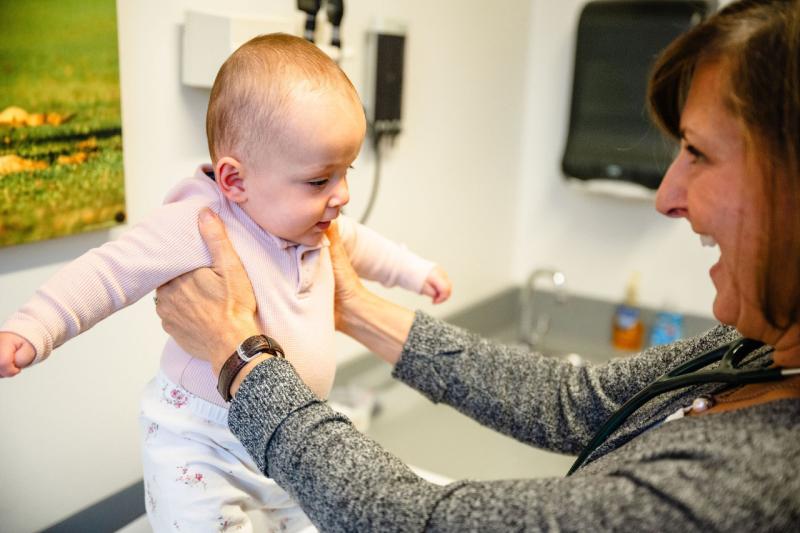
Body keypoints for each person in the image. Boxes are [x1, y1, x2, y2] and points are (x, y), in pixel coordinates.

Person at [153, 1, 800, 531]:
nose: (668, 195)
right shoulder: (755, 348)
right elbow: (580, 403)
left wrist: (240, 356)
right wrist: (355, 307)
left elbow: (419, 523)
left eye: (698, 153)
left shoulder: (760, 480)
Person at [0, 34, 451, 532]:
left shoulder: (320, 226)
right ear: (235, 181)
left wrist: (416, 271)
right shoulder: (197, 223)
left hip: (286, 429)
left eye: (347, 172)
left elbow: (367, 248)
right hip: (200, 440)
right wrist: (32, 328)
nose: (341, 195)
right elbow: (108, 273)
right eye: (320, 180)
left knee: (314, 521)